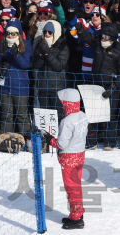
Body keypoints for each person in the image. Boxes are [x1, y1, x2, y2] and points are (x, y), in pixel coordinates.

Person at [42, 89, 89, 229]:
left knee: (72, 188)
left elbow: (61, 144)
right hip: (80, 155)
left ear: (67, 103)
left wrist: (50, 139)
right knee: (76, 186)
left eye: (63, 103)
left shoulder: (67, 121)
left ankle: (77, 220)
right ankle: (76, 214)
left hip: (69, 158)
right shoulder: (82, 115)